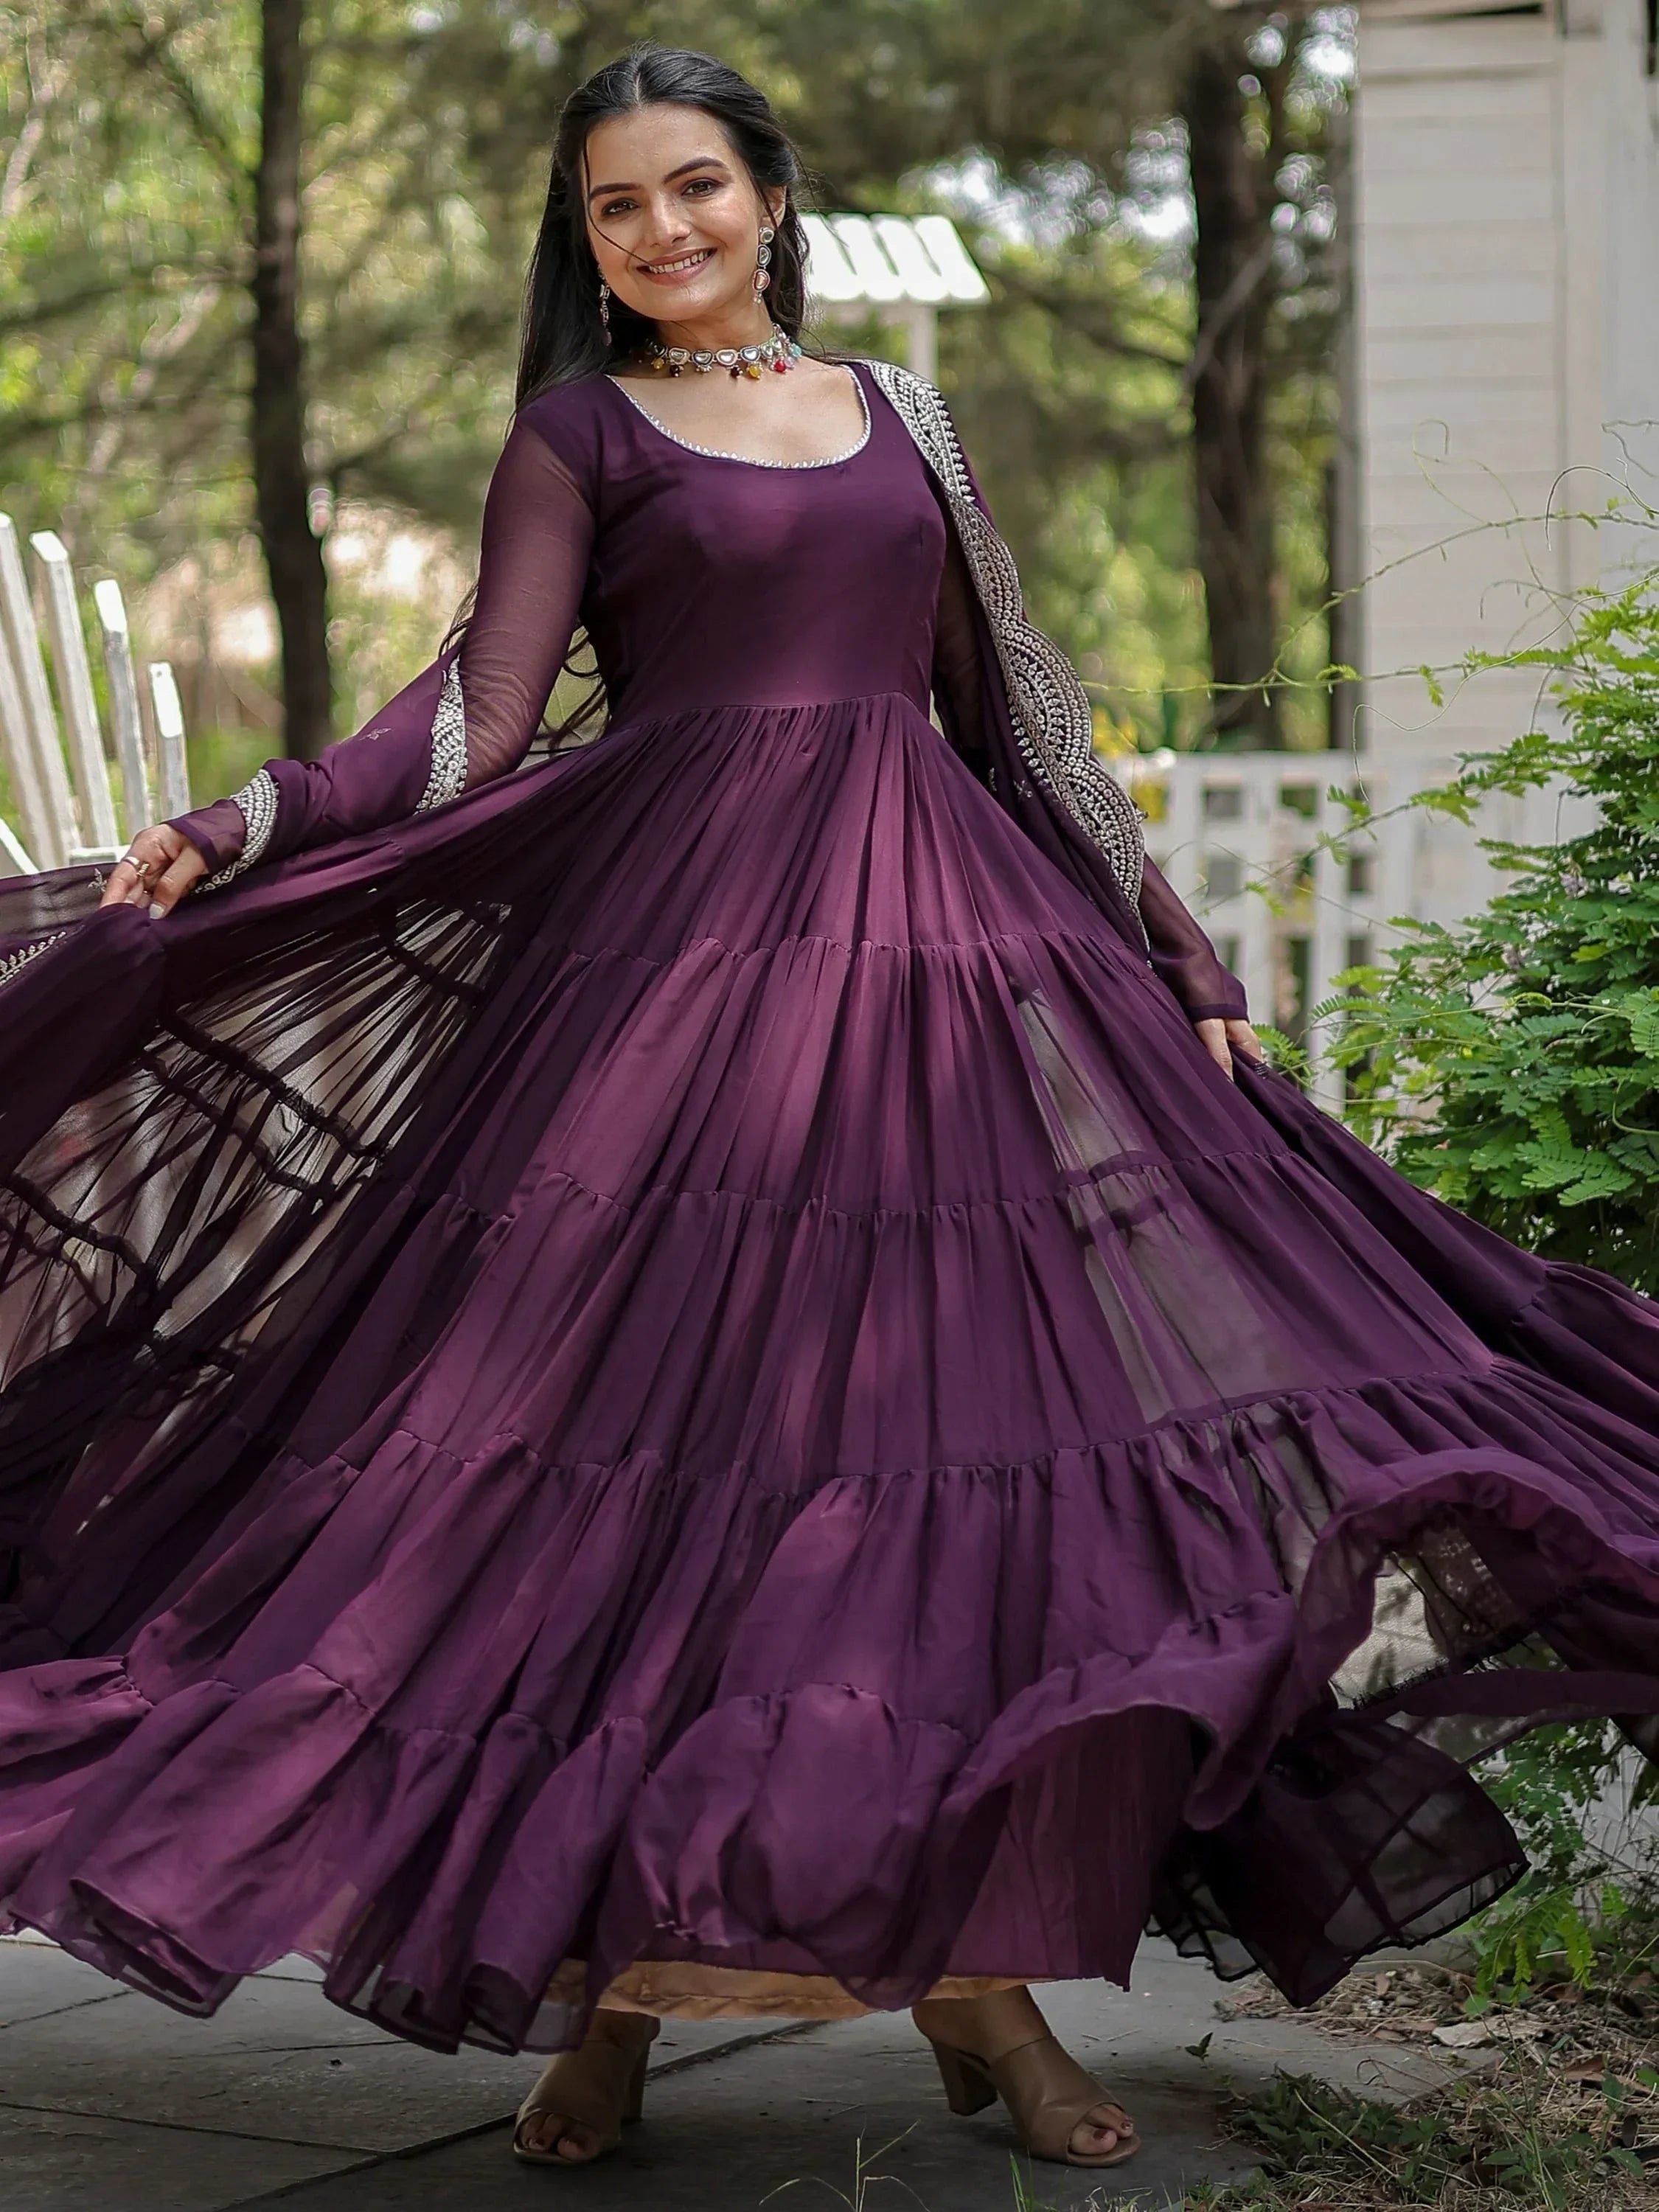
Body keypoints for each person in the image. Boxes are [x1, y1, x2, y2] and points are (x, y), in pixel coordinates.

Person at [5, 39, 1659, 2181]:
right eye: (616, 207)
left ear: (765, 196)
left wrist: (1171, 941)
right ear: (586, 245)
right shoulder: (577, 433)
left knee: (937, 1472)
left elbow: (1021, 715)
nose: (663, 230)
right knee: (633, 1500)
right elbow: (470, 730)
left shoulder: (906, 416)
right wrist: (241, 823)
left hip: (948, 995)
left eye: (694, 187)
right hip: (673, 1002)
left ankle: (985, 1992)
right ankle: (606, 2011)